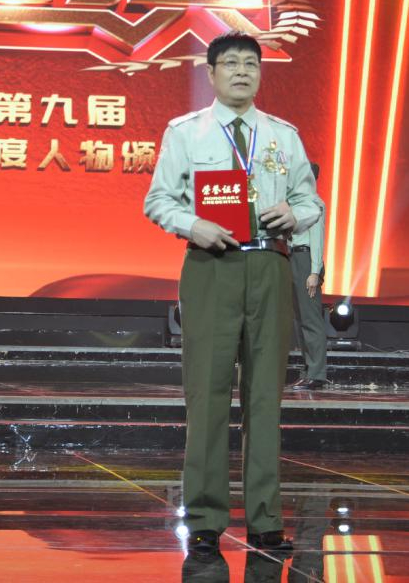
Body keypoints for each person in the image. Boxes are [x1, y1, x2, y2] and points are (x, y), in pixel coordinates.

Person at [145, 31, 321, 556]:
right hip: (211, 264)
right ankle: (204, 518)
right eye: (231, 63)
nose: (242, 71)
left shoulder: (282, 135)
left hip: (269, 264)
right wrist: (192, 225)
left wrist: (295, 214)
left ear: (260, 74)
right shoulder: (186, 132)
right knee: (207, 393)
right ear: (212, 73)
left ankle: (266, 520)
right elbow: (158, 200)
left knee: (265, 395)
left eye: (251, 64)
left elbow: (310, 201)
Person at [289, 163, 327, 390]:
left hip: (306, 260)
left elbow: (317, 239)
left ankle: (317, 373)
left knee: (310, 318)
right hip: (292, 258)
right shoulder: (296, 204)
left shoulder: (314, 203)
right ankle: (308, 370)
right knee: (299, 319)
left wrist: (314, 271)